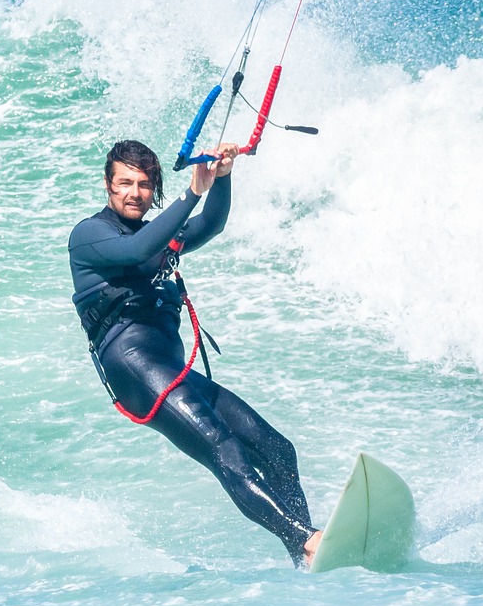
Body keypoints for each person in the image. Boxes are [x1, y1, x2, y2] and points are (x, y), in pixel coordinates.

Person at [68, 138, 321, 566]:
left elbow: (212, 224)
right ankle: (307, 539)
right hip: (132, 366)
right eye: (125, 183)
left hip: (169, 369)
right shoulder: (90, 235)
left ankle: (306, 552)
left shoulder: (157, 234)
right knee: (224, 448)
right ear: (107, 185)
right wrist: (192, 192)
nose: (135, 193)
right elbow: (136, 251)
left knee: (277, 449)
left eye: (144, 184)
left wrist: (221, 178)